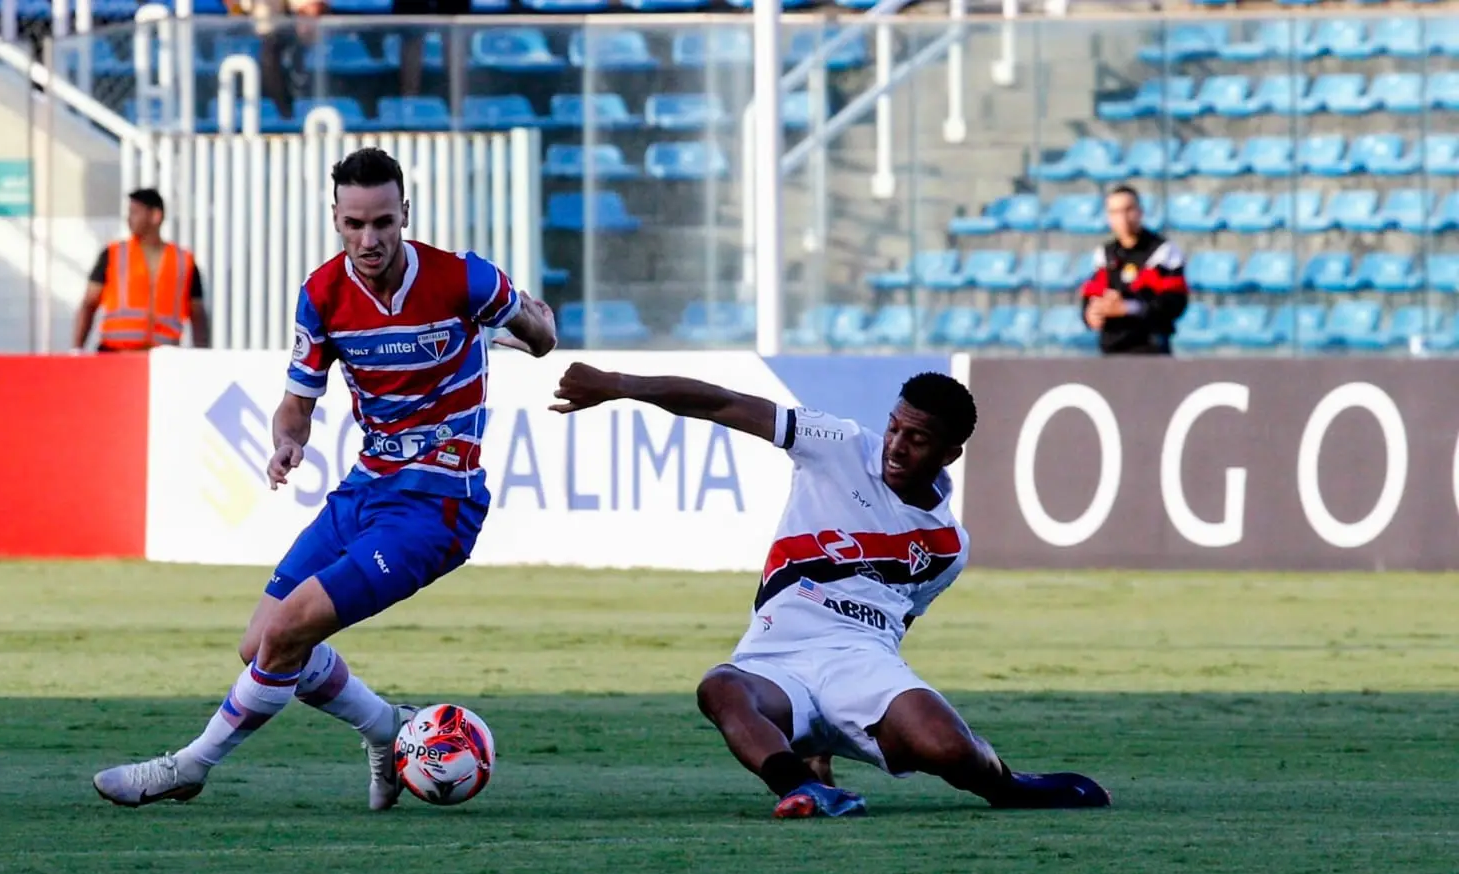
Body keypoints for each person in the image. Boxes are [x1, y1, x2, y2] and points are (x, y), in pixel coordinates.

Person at [92, 148, 557, 809]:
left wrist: (531, 323)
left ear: (405, 216)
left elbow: (541, 336)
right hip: (365, 489)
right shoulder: (322, 295)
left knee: (287, 636)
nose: (370, 239)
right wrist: (286, 442)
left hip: (437, 506)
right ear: (335, 217)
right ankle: (386, 728)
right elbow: (298, 402)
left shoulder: (464, 280)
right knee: (261, 644)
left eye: (384, 223)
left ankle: (187, 766)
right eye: (355, 224)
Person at [547, 363, 1111, 819]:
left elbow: (895, 626)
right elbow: (721, 403)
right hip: (776, 660)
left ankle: (1009, 786)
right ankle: (805, 789)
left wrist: (869, 703)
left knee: (947, 748)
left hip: (860, 663)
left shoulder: (947, 545)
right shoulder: (836, 443)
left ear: (948, 453)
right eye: (894, 427)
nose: (895, 446)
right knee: (720, 687)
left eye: (917, 439)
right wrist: (619, 387)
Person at [74, 188, 210, 353]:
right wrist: (77, 349)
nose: (129, 219)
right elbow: (89, 304)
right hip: (116, 354)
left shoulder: (183, 261)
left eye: (135, 213)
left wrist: (202, 355)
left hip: (162, 359)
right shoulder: (113, 254)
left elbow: (198, 315)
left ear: (155, 216)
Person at [1080, 184, 1188, 356]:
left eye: (1128, 210)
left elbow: (1174, 303)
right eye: (1115, 212)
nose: (1123, 218)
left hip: (1149, 349)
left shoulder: (1163, 252)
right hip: (1111, 350)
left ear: (1140, 212)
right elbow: (1091, 296)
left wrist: (1129, 307)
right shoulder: (1104, 255)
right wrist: (1091, 315)